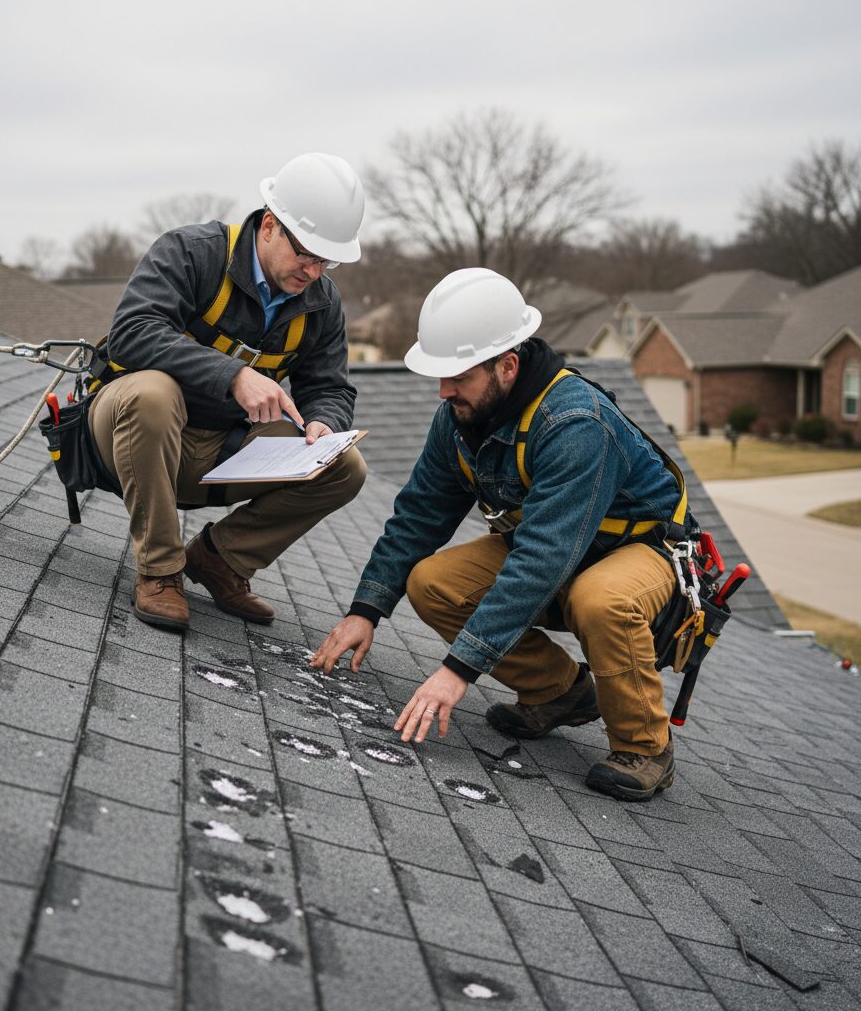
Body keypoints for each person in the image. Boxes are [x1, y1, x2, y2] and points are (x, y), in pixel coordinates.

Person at [311, 268, 691, 802]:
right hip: (559, 548)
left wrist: (456, 671)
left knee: (600, 599)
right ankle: (558, 692)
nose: (444, 392)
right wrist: (366, 609)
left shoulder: (576, 424)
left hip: (639, 551)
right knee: (432, 582)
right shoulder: (462, 416)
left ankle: (644, 747)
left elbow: (541, 558)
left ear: (506, 366)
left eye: (458, 377)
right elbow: (419, 515)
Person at [88, 153, 367, 632]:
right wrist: (232, 375)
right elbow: (132, 330)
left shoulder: (322, 303)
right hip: (130, 434)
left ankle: (220, 560)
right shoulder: (192, 252)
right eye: (306, 254)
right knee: (152, 394)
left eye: (326, 260)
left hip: (218, 450)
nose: (315, 272)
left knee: (344, 466)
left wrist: (326, 422)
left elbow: (330, 387)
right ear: (270, 226)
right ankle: (159, 570)